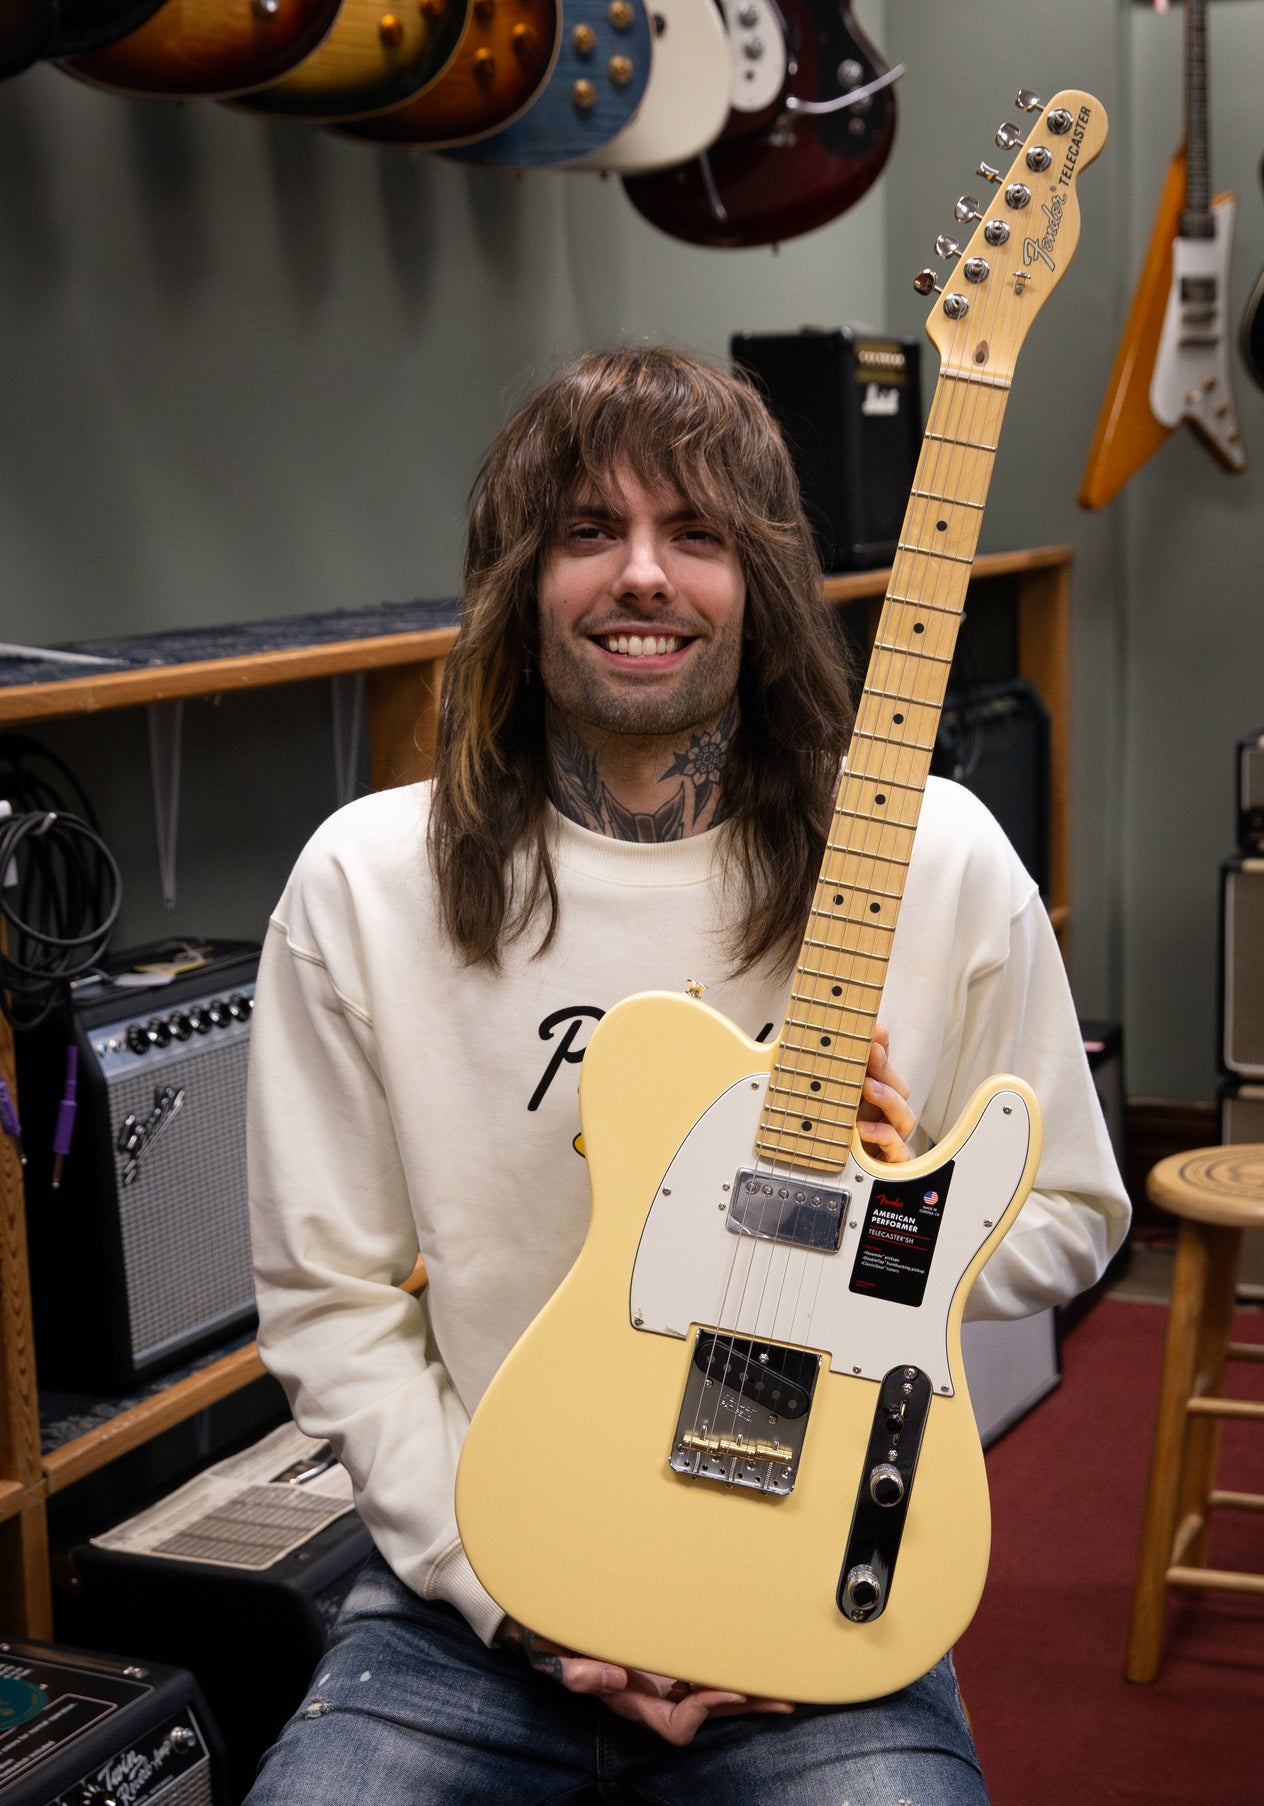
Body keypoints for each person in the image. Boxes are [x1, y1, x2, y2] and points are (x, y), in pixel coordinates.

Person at [243, 346, 1130, 1805]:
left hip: (809, 1594)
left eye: (696, 534)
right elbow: (329, 1300)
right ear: (519, 584)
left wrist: (876, 1218)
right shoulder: (363, 883)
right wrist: (506, 1588)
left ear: (761, 582)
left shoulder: (937, 852)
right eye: (589, 532)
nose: (641, 575)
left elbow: (1071, 1219)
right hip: (481, 1595)